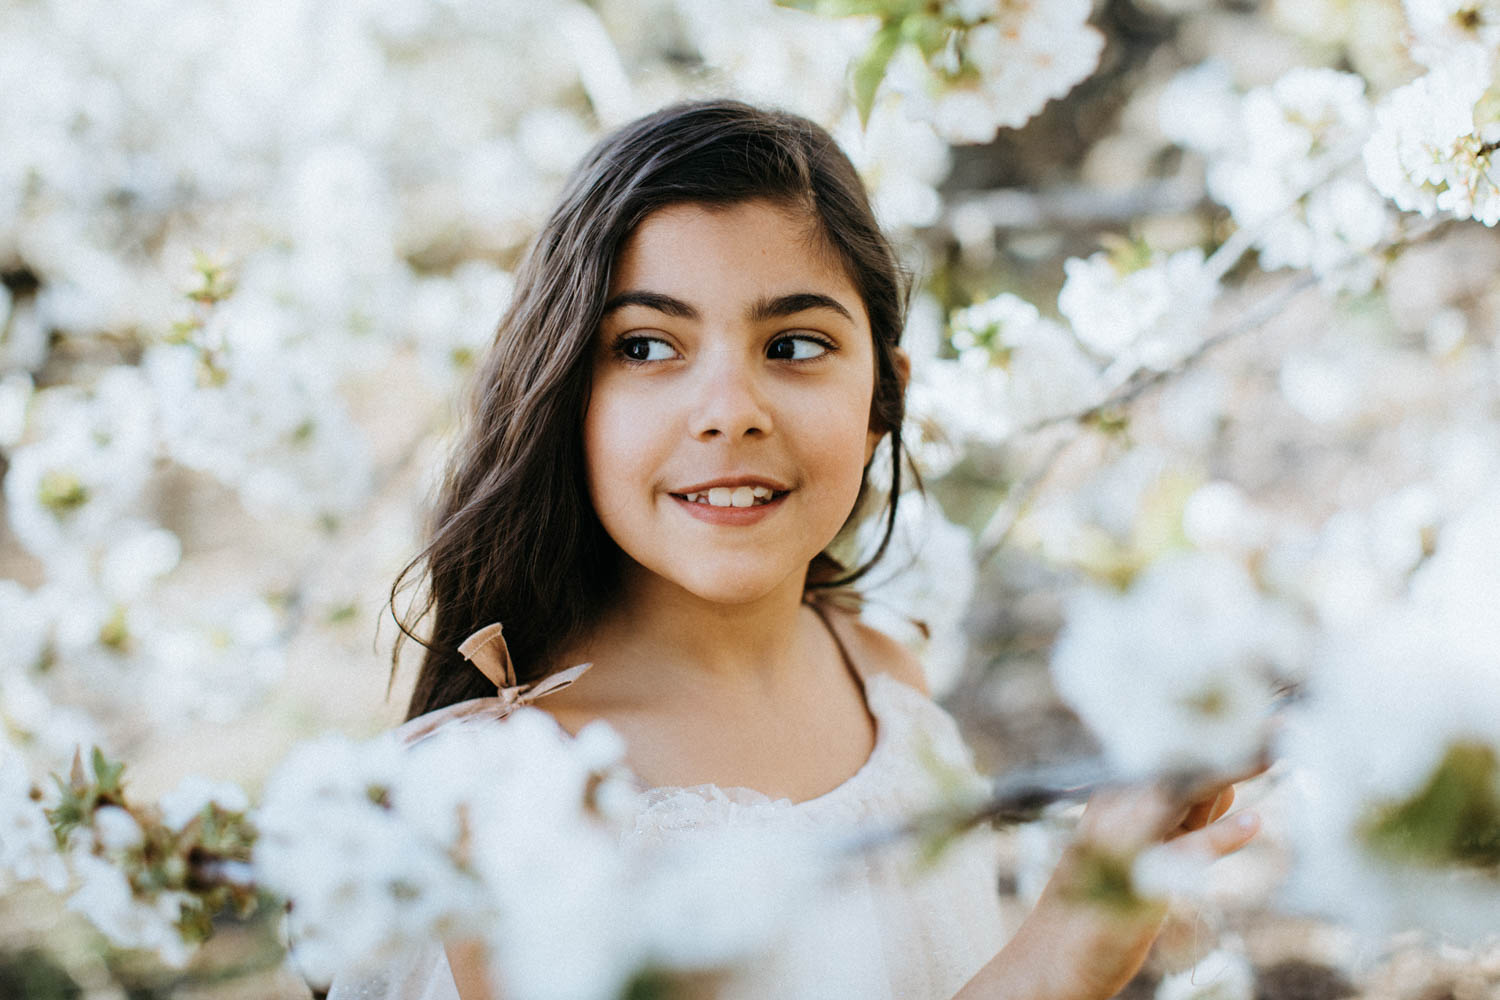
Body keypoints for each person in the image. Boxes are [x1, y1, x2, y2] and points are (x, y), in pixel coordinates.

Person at [341, 99, 1258, 1000]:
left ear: (882, 403)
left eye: (793, 343)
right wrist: (1054, 963)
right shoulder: (498, 796)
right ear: (566, 396)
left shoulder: (884, 677)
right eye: (649, 346)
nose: (731, 409)